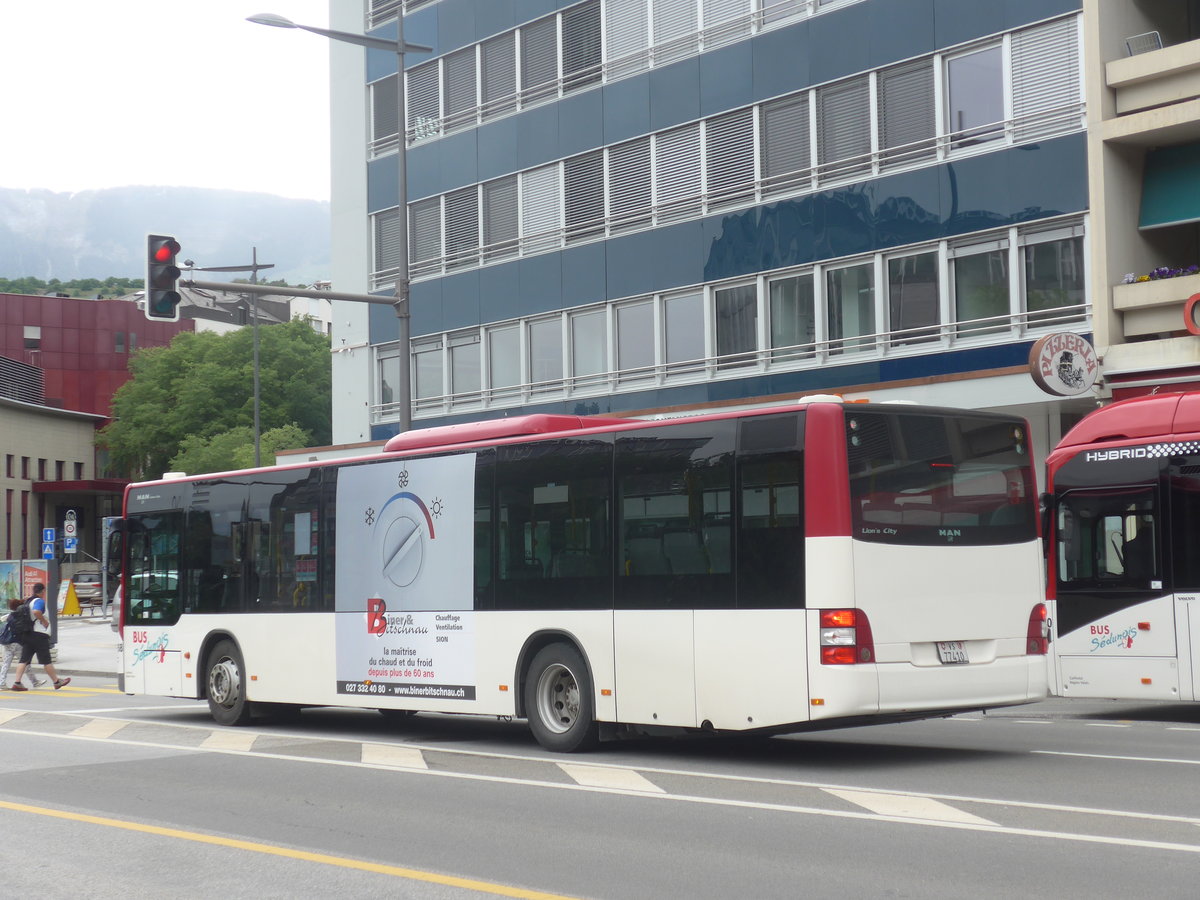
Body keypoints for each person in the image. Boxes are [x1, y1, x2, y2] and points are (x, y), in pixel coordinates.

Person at [7, 584, 71, 691]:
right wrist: (44, 621)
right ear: (42, 591)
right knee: (46, 660)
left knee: (24, 660)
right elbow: (36, 612)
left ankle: (17, 683)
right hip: (39, 635)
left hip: (27, 634)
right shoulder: (39, 601)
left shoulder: (28, 601)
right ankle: (56, 681)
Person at [1, 599, 43, 689]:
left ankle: (2, 683)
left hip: (7, 642)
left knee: (6, 663)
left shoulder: (9, 616)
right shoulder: (19, 615)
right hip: (16, 643)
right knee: (25, 662)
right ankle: (35, 682)